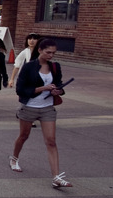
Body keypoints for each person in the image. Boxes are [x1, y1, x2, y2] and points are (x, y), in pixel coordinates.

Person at [9, 38, 71, 188]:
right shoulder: (29, 67)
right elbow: (20, 90)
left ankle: (56, 177)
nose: (51, 55)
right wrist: (42, 88)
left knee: (51, 141)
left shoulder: (55, 67)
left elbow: (59, 85)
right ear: (40, 51)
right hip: (29, 106)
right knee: (24, 136)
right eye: (48, 52)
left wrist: (58, 90)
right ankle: (14, 158)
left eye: (53, 53)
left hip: (47, 107)